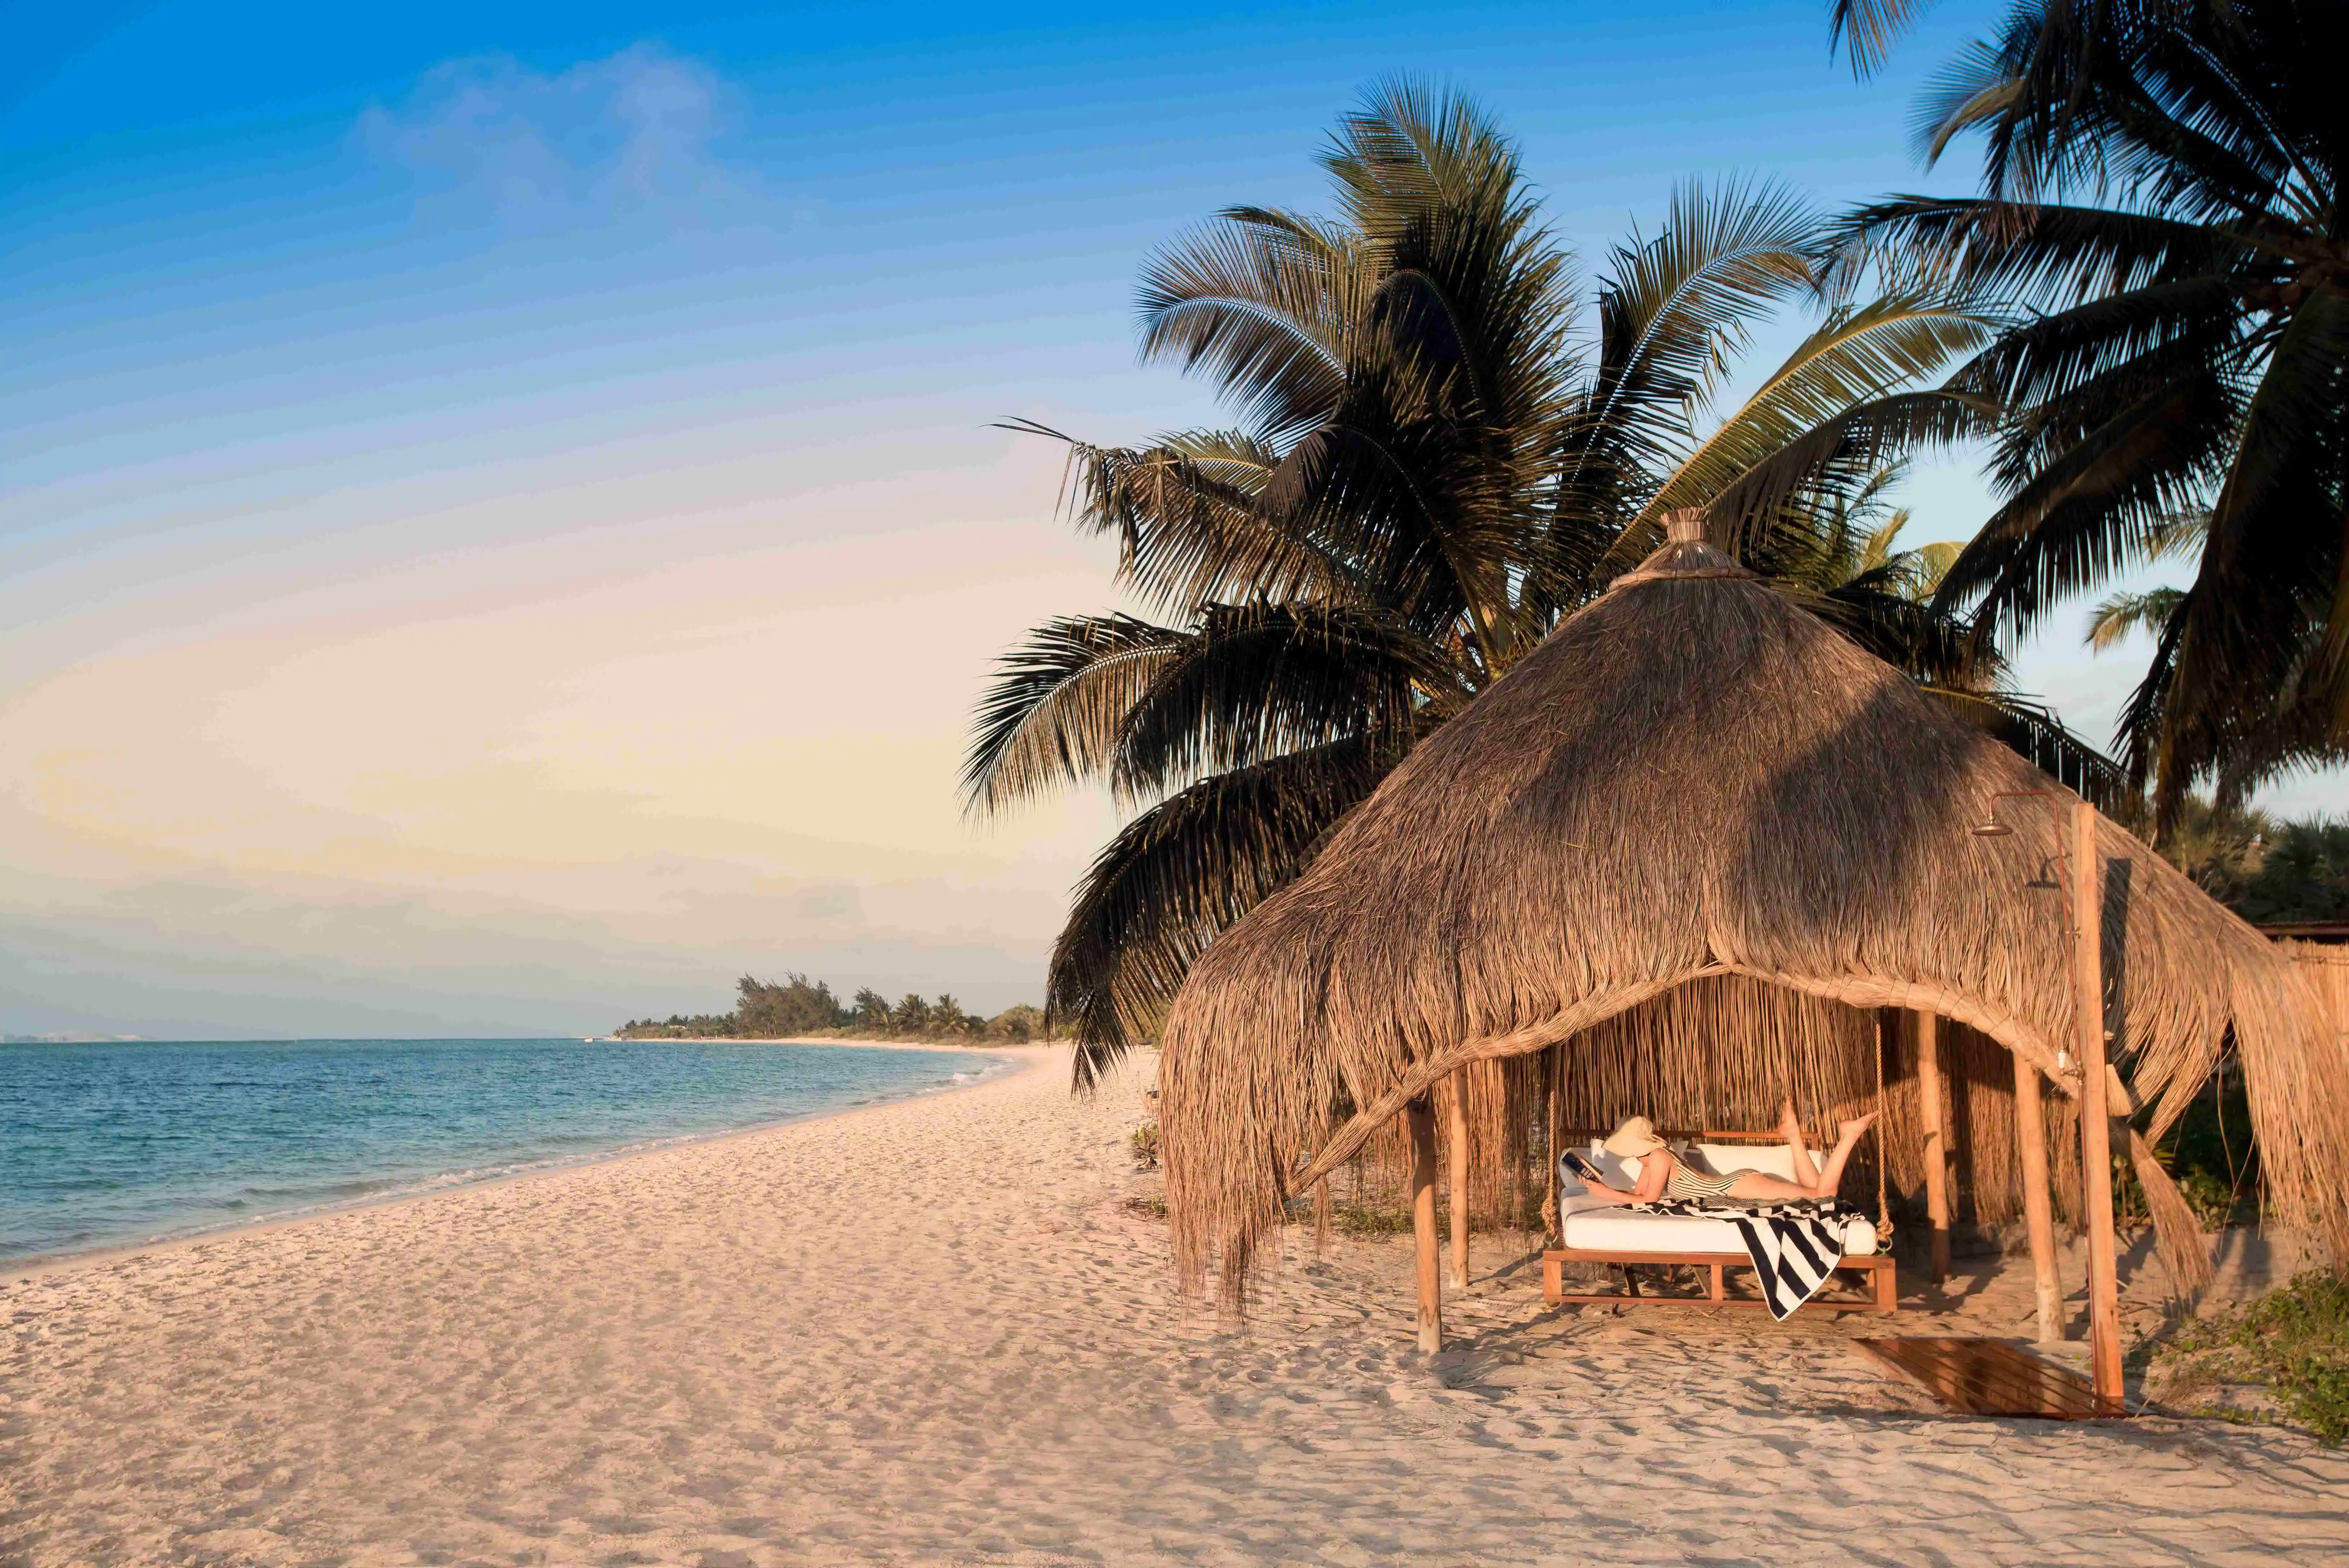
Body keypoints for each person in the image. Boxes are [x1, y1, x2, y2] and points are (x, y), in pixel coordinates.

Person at [1571, 1100, 1878, 1207]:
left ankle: (1848, 1136)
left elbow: (1649, 1200)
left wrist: (1607, 1195)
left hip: (1734, 1187)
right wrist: (1603, 1188)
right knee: (1814, 1191)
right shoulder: (1649, 1159)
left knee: (1824, 1196)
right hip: (1733, 1185)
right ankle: (1793, 1135)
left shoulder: (1660, 1157)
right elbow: (1639, 1195)